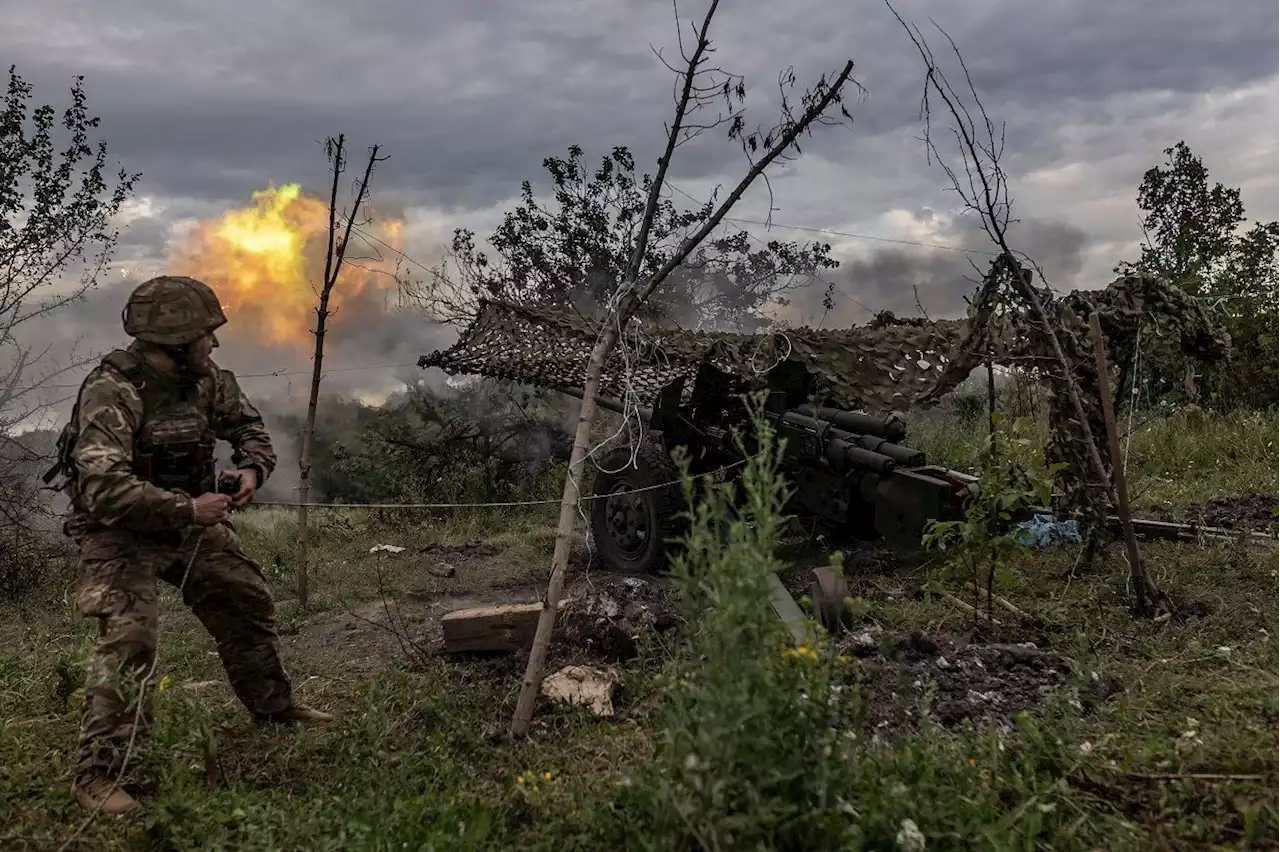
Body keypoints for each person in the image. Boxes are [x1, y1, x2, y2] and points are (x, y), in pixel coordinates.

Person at [45, 275, 334, 815]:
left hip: (188, 523)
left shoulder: (208, 381)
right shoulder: (113, 392)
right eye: (205, 336)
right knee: (130, 639)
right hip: (119, 531)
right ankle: (99, 774)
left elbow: (249, 428)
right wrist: (189, 508)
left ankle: (273, 707)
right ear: (174, 348)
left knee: (243, 598)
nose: (214, 345)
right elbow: (103, 489)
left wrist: (251, 468)